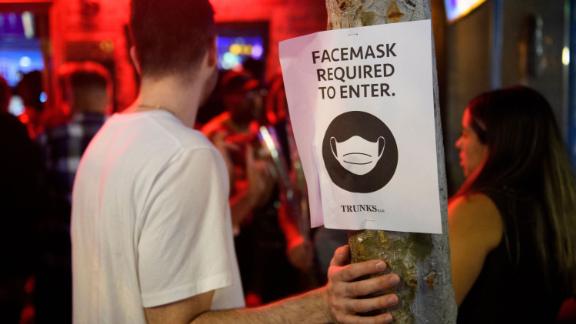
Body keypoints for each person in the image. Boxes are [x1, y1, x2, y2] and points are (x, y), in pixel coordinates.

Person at [71, 1, 400, 323]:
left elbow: (151, 250)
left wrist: (246, 201)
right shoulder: (187, 155)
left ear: (134, 56)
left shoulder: (104, 142)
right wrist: (324, 304)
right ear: (212, 55)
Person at [450, 86, 576, 323]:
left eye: (466, 133)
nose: (459, 144)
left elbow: (432, 309)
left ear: (495, 140)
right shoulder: (558, 210)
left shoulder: (478, 210)